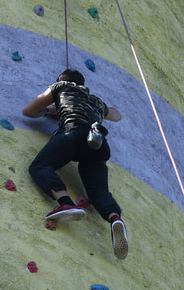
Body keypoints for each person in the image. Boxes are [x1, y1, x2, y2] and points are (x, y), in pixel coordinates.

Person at [22, 69, 128, 260]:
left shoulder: (61, 86)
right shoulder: (95, 101)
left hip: (74, 132)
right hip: (98, 143)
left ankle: (65, 203)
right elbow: (116, 115)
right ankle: (114, 218)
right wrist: (99, 108)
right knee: (99, 192)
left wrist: (50, 109)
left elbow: (28, 111)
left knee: (40, 166)